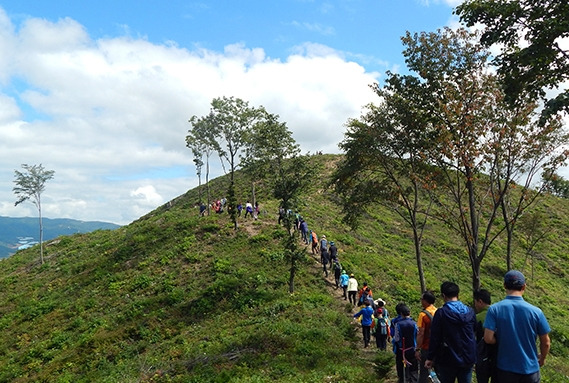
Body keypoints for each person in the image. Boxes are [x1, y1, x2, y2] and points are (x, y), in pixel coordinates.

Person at [484, 270, 551, 383]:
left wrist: (499, 340)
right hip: (530, 370)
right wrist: (542, 358)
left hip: (505, 369)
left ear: (504, 285)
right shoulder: (536, 312)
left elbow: (488, 338)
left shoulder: (494, 309)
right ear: (524, 286)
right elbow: (546, 342)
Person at [425, 281, 476, 383]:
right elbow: (474, 331)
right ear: (457, 294)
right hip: (468, 357)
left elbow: (435, 337)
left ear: (443, 295)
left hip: (447, 358)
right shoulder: (470, 311)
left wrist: (430, 357)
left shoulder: (441, 313)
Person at [393, 304, 418, 383]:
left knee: (401, 369)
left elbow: (396, 338)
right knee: (413, 369)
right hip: (412, 349)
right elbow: (417, 335)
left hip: (401, 350)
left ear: (401, 314)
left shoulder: (398, 324)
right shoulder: (414, 323)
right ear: (409, 313)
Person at [415, 291, 437, 383]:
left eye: (422, 299)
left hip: (426, 347)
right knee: (438, 372)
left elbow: (421, 333)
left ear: (426, 301)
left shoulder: (423, 315)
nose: (421, 301)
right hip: (437, 346)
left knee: (424, 372)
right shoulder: (438, 311)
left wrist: (417, 349)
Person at [474, 289, 494, 383]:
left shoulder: (478, 318)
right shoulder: (498, 313)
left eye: (475, 302)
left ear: (480, 301)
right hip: (498, 358)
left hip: (483, 357)